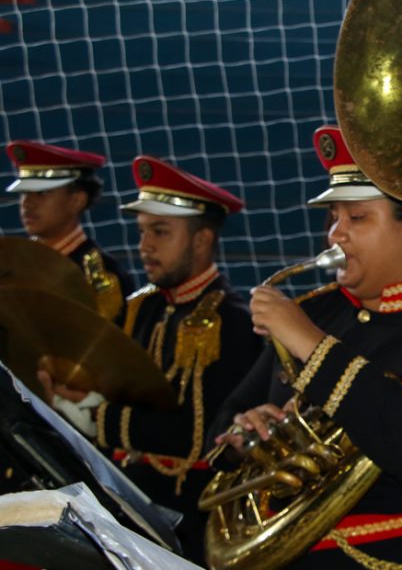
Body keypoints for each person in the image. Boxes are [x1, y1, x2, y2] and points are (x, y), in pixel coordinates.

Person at [208, 125, 402, 568]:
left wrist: (313, 347)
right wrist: (247, 433)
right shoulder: (312, 311)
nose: (336, 234)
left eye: (356, 218)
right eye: (334, 217)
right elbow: (225, 417)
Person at [39, 156, 263, 564]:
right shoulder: (142, 308)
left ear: (201, 240)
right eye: (143, 232)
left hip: (188, 519)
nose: (145, 246)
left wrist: (95, 416)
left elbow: (197, 437)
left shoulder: (229, 320)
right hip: (129, 501)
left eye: (160, 232)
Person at [6, 140, 134, 321]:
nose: (27, 203)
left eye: (42, 193)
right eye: (24, 193)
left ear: (77, 201)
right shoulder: (12, 265)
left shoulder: (102, 278)